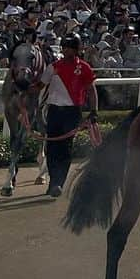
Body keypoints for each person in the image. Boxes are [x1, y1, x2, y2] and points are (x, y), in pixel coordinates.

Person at [39, 33, 98, 198]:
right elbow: (40, 85)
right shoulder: (53, 67)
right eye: (64, 47)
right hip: (54, 111)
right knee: (51, 147)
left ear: (77, 49)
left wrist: (94, 111)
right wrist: (23, 90)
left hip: (72, 112)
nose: (66, 51)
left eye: (70, 48)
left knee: (65, 147)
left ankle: (59, 182)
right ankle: (53, 181)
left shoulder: (84, 67)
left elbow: (91, 91)